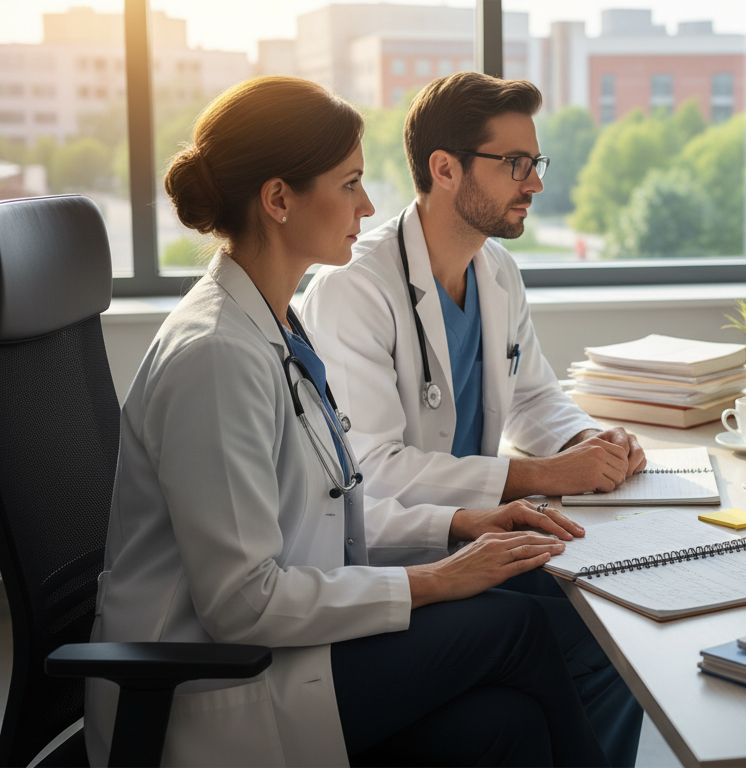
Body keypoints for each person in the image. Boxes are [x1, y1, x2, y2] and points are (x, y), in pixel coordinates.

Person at [87, 76, 623, 767]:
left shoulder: (274, 325)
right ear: (279, 199)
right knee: (518, 628)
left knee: (507, 724)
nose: (368, 205)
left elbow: (338, 507)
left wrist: (460, 528)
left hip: (296, 644)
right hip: (210, 690)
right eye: (348, 184)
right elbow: (241, 603)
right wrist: (438, 578)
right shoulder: (217, 356)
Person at [301, 72, 646, 518]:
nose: (534, 185)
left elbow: (531, 397)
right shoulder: (354, 289)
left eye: (536, 163)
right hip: (409, 558)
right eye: (515, 163)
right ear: (445, 169)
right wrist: (545, 474)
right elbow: (374, 470)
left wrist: (589, 441)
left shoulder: (497, 269)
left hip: (491, 531)